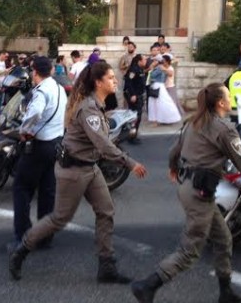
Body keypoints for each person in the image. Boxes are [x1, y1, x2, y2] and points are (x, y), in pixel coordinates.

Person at [131, 83, 241, 303]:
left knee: (223, 240)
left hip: (189, 187)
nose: (231, 99)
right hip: (199, 194)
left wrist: (174, 168)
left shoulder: (194, 122)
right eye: (228, 96)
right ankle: (148, 285)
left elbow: (175, 150)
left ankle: (225, 292)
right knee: (190, 250)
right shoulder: (224, 129)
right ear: (221, 102)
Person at [9, 61, 148, 283]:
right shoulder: (89, 109)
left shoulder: (98, 105)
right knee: (59, 218)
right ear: (98, 82)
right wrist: (130, 163)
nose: (115, 81)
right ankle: (22, 250)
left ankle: (106, 267)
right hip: (73, 170)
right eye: (111, 77)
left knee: (106, 211)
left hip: (90, 168)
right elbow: (103, 144)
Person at [11, 56, 67, 247]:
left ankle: (23, 236)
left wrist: (24, 130)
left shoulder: (41, 91)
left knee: (22, 188)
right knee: (47, 191)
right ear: (51, 71)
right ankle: (45, 237)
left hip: (39, 145)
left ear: (35, 72)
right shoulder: (59, 89)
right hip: (56, 144)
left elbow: (34, 112)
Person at [147, 55, 181, 126]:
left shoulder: (160, 68)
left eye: (155, 60)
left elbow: (152, 75)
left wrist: (152, 68)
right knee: (163, 103)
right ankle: (165, 119)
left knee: (156, 104)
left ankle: (157, 121)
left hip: (157, 85)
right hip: (161, 86)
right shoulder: (164, 68)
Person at [123, 54, 146, 141]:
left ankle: (133, 134)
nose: (145, 61)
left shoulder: (140, 69)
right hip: (134, 95)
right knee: (136, 116)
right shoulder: (133, 70)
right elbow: (128, 82)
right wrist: (133, 94)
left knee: (136, 115)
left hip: (138, 95)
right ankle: (132, 135)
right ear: (139, 61)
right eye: (144, 60)